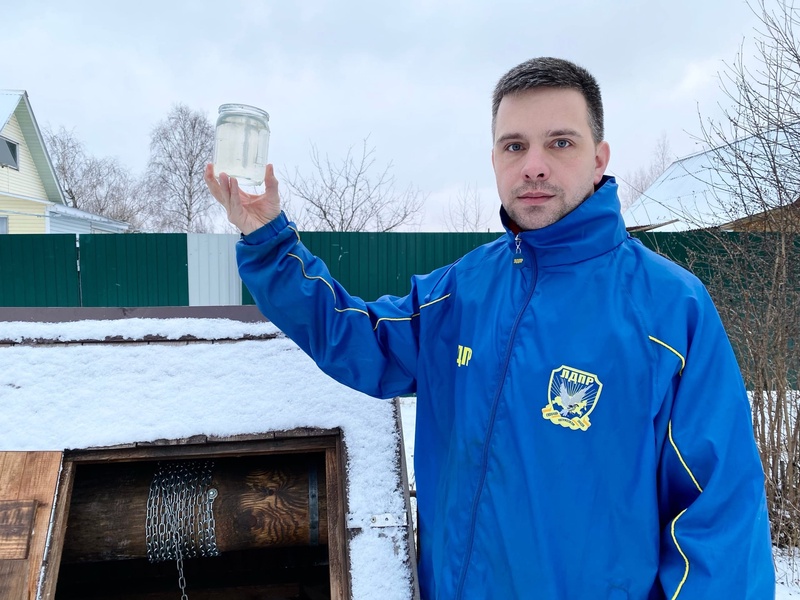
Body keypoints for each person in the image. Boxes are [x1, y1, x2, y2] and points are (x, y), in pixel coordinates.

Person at [204, 57, 775, 599]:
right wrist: (270, 241)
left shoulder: (669, 311)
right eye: (514, 145)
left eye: (560, 142)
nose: (534, 164)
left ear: (600, 158)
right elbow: (355, 337)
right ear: (496, 160)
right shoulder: (462, 292)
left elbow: (718, 519)